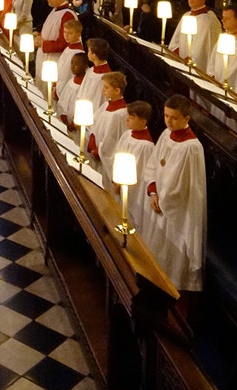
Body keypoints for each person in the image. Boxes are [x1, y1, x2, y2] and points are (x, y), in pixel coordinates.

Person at [146, 95, 207, 292]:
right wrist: (153, 191)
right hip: (160, 202)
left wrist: (161, 199)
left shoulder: (191, 147)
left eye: (174, 117)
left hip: (177, 210)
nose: (168, 121)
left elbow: (180, 187)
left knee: (172, 259)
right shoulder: (166, 134)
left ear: (187, 118)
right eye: (166, 116)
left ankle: (171, 289)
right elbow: (154, 163)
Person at [115, 102, 158, 232]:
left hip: (134, 191)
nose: (127, 119)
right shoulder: (127, 134)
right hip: (120, 184)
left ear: (143, 121)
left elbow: (142, 174)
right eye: (128, 116)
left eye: (132, 117)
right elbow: (118, 155)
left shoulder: (147, 146)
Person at [168, 0, 224, 68]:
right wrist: (178, 56)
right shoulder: (186, 16)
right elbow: (175, 42)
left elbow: (201, 50)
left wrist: (189, 59)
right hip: (181, 63)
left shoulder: (207, 21)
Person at [86, 72, 131, 164]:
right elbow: (95, 123)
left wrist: (99, 151)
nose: (102, 90)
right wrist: (92, 139)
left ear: (117, 91)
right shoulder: (106, 104)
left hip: (103, 157)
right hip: (95, 149)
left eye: (106, 87)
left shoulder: (121, 114)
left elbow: (113, 140)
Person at [215, 3, 237, 98]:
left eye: (227, 18)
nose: (222, 20)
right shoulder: (225, 37)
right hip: (216, 84)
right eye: (223, 17)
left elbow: (235, 70)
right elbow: (213, 61)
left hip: (231, 89)